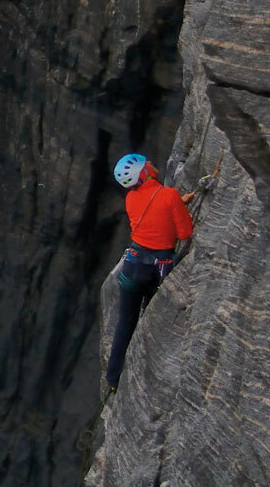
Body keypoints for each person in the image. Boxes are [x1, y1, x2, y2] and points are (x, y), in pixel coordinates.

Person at [103, 152, 194, 392]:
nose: (152, 163)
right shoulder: (169, 195)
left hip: (133, 265)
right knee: (152, 319)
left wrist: (177, 203)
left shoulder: (131, 199)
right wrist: (178, 205)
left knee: (125, 322)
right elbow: (184, 234)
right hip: (159, 267)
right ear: (143, 173)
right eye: (147, 164)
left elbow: (152, 213)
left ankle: (113, 379)